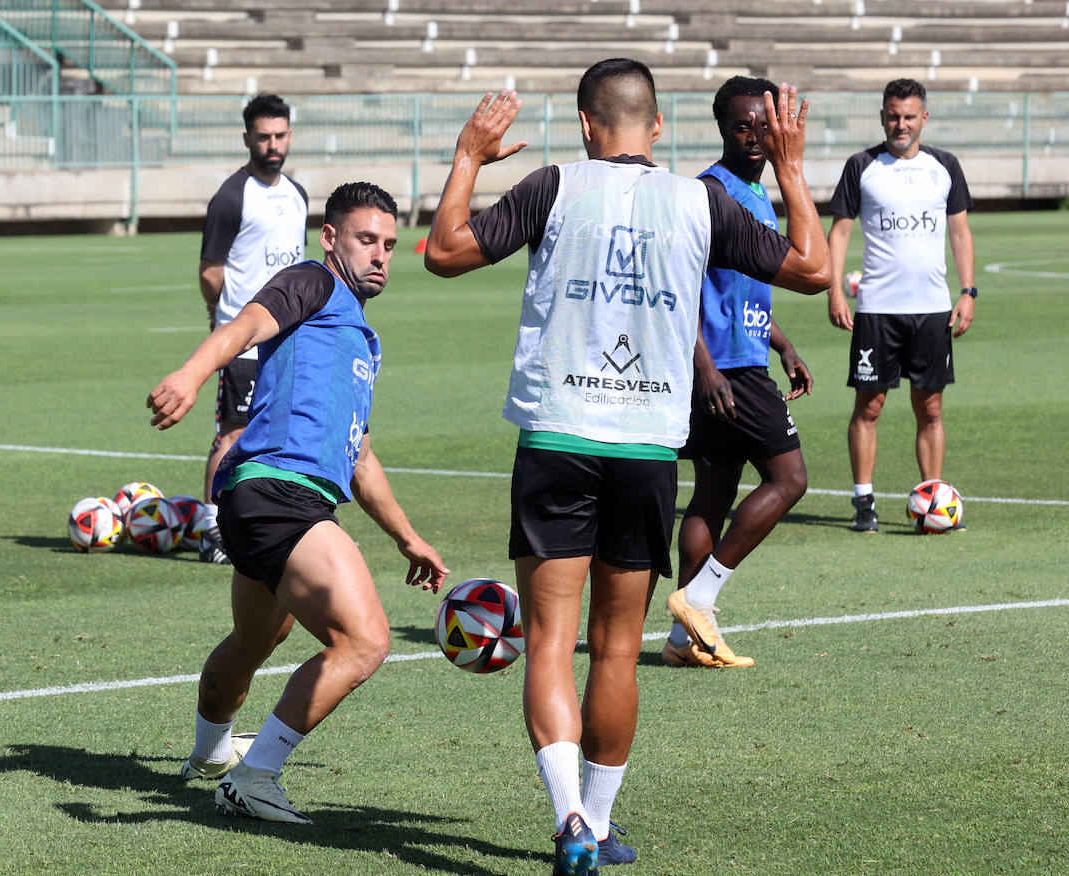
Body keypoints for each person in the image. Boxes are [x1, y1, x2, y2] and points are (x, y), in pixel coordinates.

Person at [424, 60, 829, 872]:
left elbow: (443, 253)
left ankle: (570, 816)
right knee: (614, 651)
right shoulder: (699, 199)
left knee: (548, 644)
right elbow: (814, 269)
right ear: (656, 129)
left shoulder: (553, 185)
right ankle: (601, 827)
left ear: (584, 123)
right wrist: (788, 163)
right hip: (645, 448)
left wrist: (470, 154)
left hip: (557, 439)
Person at [148, 182, 447, 825]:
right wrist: (192, 375)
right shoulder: (312, 281)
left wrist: (406, 536)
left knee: (256, 637)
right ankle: (255, 778)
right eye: (367, 240)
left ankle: (208, 758)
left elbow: (359, 457)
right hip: (280, 494)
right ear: (330, 237)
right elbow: (247, 324)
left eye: (390, 245)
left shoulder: (360, 341)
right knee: (364, 643)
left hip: (263, 494)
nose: (380, 256)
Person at [664, 76, 816, 670]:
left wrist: (781, 341)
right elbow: (682, 290)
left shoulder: (757, 193)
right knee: (790, 479)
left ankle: (684, 643)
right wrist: (705, 368)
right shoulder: (710, 192)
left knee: (714, 492)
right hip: (725, 368)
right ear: (723, 129)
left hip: (746, 356)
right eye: (742, 126)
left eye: (763, 124)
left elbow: (736, 287)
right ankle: (699, 597)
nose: (755, 136)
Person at [827, 78, 976, 533]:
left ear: (924, 118)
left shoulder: (945, 166)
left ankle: (932, 496)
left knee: (930, 408)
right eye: (893, 115)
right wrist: (834, 288)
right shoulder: (862, 166)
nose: (901, 124)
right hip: (876, 309)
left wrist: (967, 291)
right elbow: (839, 232)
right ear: (882, 116)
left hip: (932, 309)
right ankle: (863, 503)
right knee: (869, 407)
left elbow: (959, 233)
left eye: (910, 116)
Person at [197, 93, 309, 564]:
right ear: (248, 138)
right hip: (243, 340)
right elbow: (210, 272)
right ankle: (210, 530)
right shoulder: (231, 196)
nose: (272, 144)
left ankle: (285, 526)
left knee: (285, 430)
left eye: (280, 135)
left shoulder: (298, 194)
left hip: (288, 338)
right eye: (263, 136)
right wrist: (229, 320)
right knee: (233, 434)